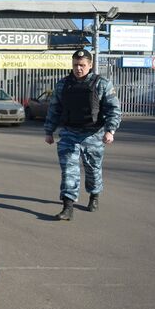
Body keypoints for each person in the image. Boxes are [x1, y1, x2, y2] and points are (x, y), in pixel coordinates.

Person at [44, 49, 122, 221]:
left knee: (92, 169)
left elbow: (113, 109)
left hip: (93, 134)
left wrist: (110, 130)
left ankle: (94, 195)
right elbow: (54, 108)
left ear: (90, 65)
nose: (78, 68)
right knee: (69, 170)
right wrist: (49, 131)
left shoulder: (102, 84)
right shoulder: (63, 84)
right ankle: (68, 206)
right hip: (69, 133)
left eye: (82, 65)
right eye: (75, 65)